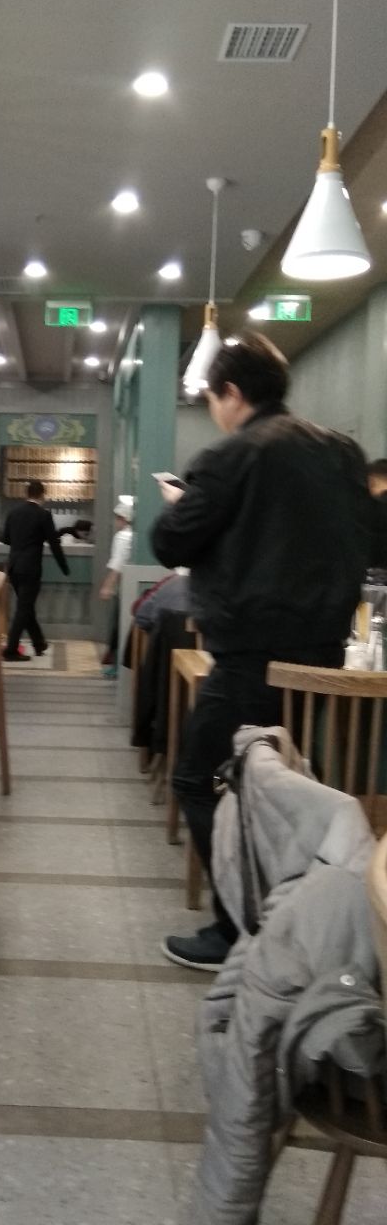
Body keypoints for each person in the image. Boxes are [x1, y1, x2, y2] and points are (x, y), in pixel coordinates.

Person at [151, 331, 376, 971]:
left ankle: (241, 928)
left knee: (200, 779)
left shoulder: (232, 455)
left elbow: (170, 543)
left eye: (212, 398)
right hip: (324, 657)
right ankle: (289, 917)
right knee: (288, 786)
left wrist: (183, 501)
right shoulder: (342, 452)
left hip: (252, 657)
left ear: (231, 392)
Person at [1, 479, 69, 661]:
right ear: (42, 495)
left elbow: (5, 539)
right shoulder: (43, 515)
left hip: (13, 567)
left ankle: (39, 643)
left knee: (26, 607)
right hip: (30, 568)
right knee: (24, 609)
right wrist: (64, 567)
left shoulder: (13, 512)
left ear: (27, 494)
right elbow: (54, 544)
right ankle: (10, 650)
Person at [99, 497, 134, 676]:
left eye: (118, 518)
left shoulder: (122, 537)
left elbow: (117, 565)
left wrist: (107, 586)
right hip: (130, 587)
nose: (116, 522)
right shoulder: (133, 536)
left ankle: (115, 663)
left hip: (123, 587)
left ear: (124, 518)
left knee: (118, 625)